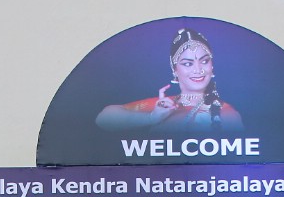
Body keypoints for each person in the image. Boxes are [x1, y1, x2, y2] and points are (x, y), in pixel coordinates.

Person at [96, 27, 243, 133]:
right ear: (175, 69)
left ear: (212, 66)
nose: (198, 69)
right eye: (187, 63)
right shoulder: (165, 106)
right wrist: (152, 118)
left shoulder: (226, 113)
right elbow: (104, 118)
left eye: (204, 61)